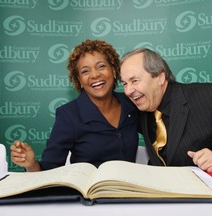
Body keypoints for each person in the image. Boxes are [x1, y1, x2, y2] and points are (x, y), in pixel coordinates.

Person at [10, 39, 139, 171]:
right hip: (89, 190)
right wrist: (31, 165)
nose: (94, 75)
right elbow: (50, 168)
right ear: (79, 80)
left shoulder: (131, 102)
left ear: (113, 70)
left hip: (128, 188)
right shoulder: (69, 115)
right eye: (85, 71)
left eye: (101, 66)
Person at [120, 48, 212, 172]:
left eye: (135, 81)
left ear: (160, 78)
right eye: (125, 83)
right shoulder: (140, 107)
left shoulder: (210, 97)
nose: (128, 91)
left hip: (208, 191)